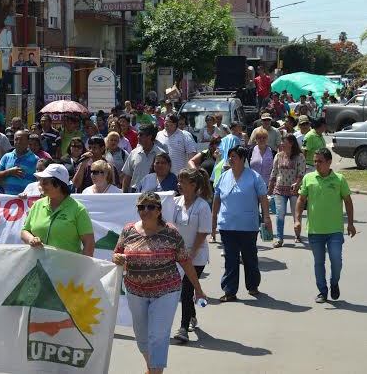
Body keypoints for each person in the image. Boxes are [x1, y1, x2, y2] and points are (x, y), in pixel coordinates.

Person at [112, 192, 206, 373]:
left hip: (166, 291)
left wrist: (198, 289)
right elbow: (117, 253)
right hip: (135, 291)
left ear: (159, 210)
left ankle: (156, 371)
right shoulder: (128, 230)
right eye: (141, 207)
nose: (145, 210)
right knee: (141, 336)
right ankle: (151, 366)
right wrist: (117, 258)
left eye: (150, 207)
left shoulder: (171, 232)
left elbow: (185, 261)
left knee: (158, 335)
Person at [295, 148, 356, 303]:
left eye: (320, 161)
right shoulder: (309, 178)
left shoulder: (339, 179)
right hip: (315, 230)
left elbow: (348, 202)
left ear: (329, 162)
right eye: (315, 161)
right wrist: (297, 220)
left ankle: (334, 282)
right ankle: (322, 291)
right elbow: (301, 200)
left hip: (335, 230)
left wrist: (350, 223)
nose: (316, 164)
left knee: (336, 260)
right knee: (319, 262)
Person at [212, 146, 271, 302]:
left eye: (234, 156)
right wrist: (213, 221)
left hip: (248, 226)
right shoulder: (223, 176)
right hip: (227, 225)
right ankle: (230, 291)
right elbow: (216, 200)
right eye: (229, 156)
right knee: (230, 259)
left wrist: (266, 218)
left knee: (249, 257)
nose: (231, 159)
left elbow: (263, 198)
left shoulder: (254, 177)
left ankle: (252, 285)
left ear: (243, 159)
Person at [172, 169, 212, 343]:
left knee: (187, 289)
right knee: (184, 290)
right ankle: (192, 316)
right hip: (179, 253)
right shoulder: (175, 202)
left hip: (196, 254)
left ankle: (183, 328)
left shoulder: (202, 206)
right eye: (178, 181)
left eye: (183, 182)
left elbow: (203, 233)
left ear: (194, 185)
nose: (179, 185)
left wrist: (191, 253)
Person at [21, 164, 95, 255]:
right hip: (38, 266)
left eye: (45, 182)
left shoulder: (79, 209)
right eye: (41, 181)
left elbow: (89, 243)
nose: (40, 185)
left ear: (58, 185)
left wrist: (83, 268)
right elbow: (25, 231)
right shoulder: (37, 205)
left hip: (67, 268)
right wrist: (31, 239)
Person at [268, 134, 306, 247]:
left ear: (291, 143)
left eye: (284, 142)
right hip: (279, 189)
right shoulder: (279, 156)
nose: (281, 144)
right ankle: (279, 239)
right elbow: (274, 172)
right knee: (280, 214)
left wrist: (297, 183)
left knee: (296, 214)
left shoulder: (300, 156)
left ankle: (297, 235)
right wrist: (270, 188)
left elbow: (301, 173)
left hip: (294, 189)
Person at [0, 130, 39, 195]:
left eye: (21, 139)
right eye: (16, 139)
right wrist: (9, 172)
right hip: (7, 201)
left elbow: (39, 182)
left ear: (28, 141)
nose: (18, 142)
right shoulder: (7, 157)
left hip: (26, 202)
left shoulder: (35, 160)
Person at [122, 125, 165, 193]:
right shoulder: (133, 153)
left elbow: (166, 175)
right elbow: (127, 176)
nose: (138, 137)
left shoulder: (161, 154)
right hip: (134, 193)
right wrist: (124, 194)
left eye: (141, 135)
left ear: (150, 137)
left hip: (154, 194)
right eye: (138, 134)